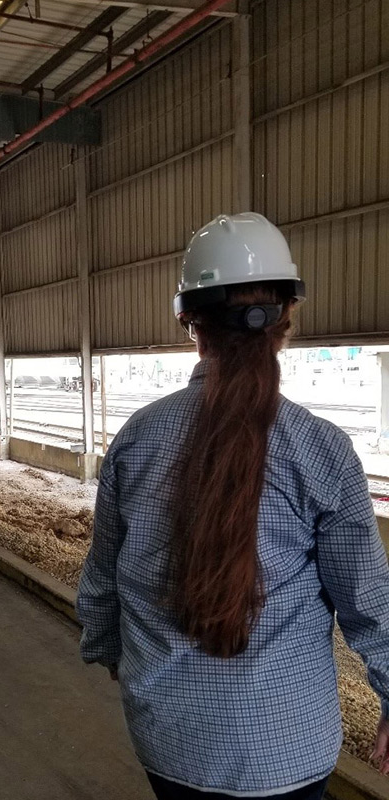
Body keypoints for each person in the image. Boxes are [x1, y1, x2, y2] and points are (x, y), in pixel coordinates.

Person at [76, 212, 389, 800]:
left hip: (168, 741)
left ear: (187, 320)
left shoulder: (137, 439)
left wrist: (107, 647)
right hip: (289, 752)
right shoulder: (322, 449)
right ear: (286, 319)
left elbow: (103, 577)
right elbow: (369, 602)